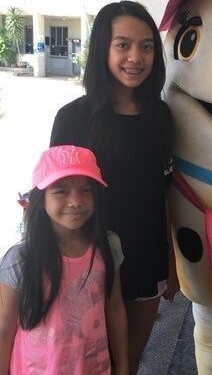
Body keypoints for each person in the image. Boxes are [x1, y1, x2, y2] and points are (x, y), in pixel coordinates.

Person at [49, 0, 179, 374]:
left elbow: (163, 192)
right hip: (86, 263)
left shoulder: (161, 117)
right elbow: (52, 198)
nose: (135, 57)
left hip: (146, 259)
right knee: (86, 362)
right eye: (122, 45)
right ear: (103, 48)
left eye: (146, 46)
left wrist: (170, 264)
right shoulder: (73, 118)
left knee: (129, 363)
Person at [0, 145, 128, 375]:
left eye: (86, 190)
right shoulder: (20, 259)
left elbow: (115, 308)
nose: (76, 201)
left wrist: (124, 365)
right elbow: (3, 329)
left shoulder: (109, 246)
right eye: (61, 191)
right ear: (40, 199)